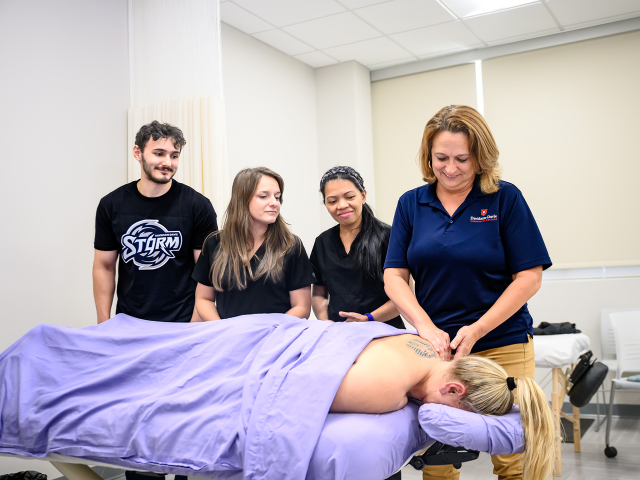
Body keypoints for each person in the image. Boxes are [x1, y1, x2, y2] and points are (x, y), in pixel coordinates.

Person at [384, 105, 552, 480]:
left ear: (481, 156)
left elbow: (529, 277)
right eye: (441, 157)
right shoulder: (412, 204)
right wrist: (425, 328)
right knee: (439, 459)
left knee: (514, 456)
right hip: (439, 350)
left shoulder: (504, 199)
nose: (451, 167)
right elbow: (394, 276)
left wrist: (476, 330)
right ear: (428, 156)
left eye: (462, 158)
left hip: (501, 343)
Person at [331, 335, 554, 480]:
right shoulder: (386, 390)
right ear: (453, 390)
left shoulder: (423, 345)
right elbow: (305, 398)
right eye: (458, 414)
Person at [93, 120, 218, 324]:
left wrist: (194, 325)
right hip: (129, 321)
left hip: (183, 322)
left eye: (174, 156)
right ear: (137, 152)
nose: (167, 162)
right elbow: (104, 267)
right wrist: (103, 324)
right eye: (159, 153)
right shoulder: (111, 205)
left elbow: (206, 273)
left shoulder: (198, 206)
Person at [192, 167, 315, 320]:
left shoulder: (290, 245)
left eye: (277, 197)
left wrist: (268, 332)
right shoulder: (215, 243)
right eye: (264, 196)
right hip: (229, 338)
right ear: (243, 199)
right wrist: (223, 330)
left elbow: (301, 307)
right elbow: (204, 299)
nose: (274, 203)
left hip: (275, 337)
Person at [310, 166, 404, 329]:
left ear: (363, 195)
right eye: (332, 201)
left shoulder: (388, 236)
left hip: (384, 331)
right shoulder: (322, 242)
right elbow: (319, 293)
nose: (342, 205)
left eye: (349, 197)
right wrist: (326, 322)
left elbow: (403, 296)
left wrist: (369, 318)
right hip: (338, 333)